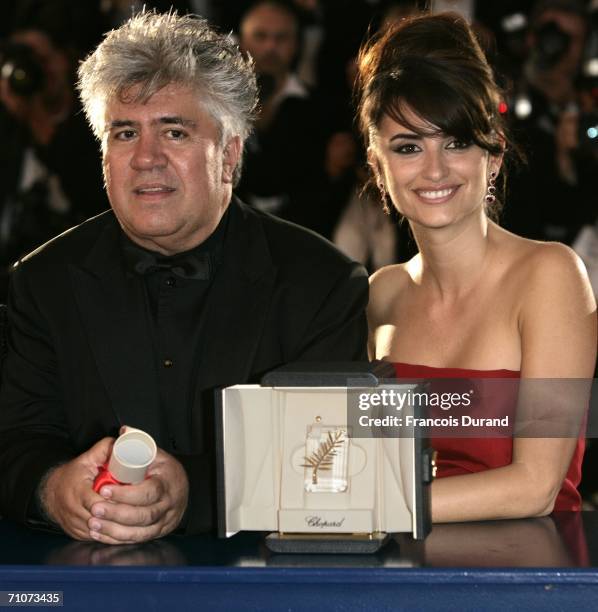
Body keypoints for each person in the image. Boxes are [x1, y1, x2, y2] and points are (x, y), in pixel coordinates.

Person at [0, 11, 368, 543]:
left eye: (174, 131)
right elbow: (14, 441)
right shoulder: (41, 282)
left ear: (230, 155)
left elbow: (330, 466)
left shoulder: (323, 284)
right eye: (125, 133)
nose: (146, 158)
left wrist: (192, 493)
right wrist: (50, 488)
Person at [358, 12, 596, 522]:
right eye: (407, 147)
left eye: (457, 142)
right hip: (398, 579)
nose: (435, 169)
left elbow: (534, 487)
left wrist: (358, 507)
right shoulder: (382, 292)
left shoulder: (551, 275)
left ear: (494, 155)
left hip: (525, 584)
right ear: (379, 167)